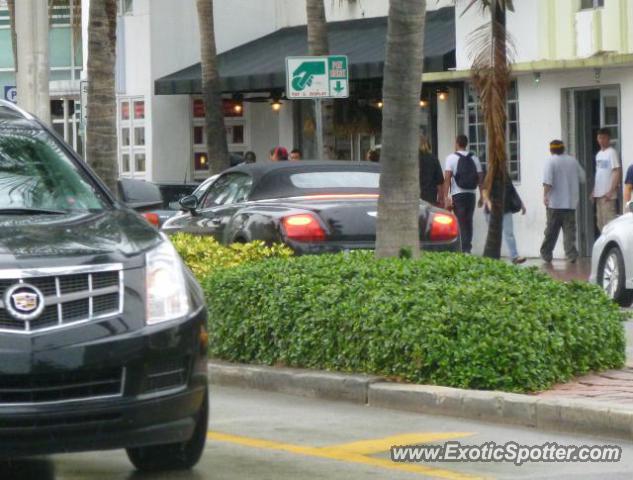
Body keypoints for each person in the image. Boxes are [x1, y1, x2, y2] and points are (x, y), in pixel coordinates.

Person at [540, 140, 586, 264]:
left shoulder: (550, 161)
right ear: (563, 149)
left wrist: (545, 196)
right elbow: (583, 177)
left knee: (551, 231)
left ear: (551, 150)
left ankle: (546, 253)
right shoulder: (572, 161)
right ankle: (571, 255)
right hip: (570, 204)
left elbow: (548, 182)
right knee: (569, 232)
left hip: (555, 204)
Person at [443, 135, 484, 254]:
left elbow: (447, 179)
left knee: (460, 221)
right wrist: (481, 195)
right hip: (471, 194)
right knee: (469, 220)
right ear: (466, 144)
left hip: (458, 194)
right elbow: (480, 177)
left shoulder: (451, 158)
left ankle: (462, 248)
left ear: (456, 143)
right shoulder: (474, 158)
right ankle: (467, 248)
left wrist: (446, 197)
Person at [482, 171, 527, 264]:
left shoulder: (505, 175)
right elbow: (484, 191)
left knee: (509, 233)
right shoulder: (490, 174)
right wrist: (490, 205)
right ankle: (490, 258)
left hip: (505, 210)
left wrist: (521, 204)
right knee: (493, 235)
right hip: (492, 211)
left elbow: (512, 190)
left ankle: (515, 256)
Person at [592, 128, 621, 231]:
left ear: (608, 138)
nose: (601, 140)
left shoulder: (612, 152)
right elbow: (599, 174)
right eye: (599, 138)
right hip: (599, 195)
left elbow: (616, 171)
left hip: (608, 196)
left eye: (603, 138)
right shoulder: (598, 155)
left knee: (610, 224)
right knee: (600, 223)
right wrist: (594, 191)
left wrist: (611, 191)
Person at [418, 136, 444, 205]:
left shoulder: (413, 159)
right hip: (430, 196)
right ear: (429, 145)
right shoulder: (434, 159)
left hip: (416, 195)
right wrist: (441, 198)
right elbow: (440, 181)